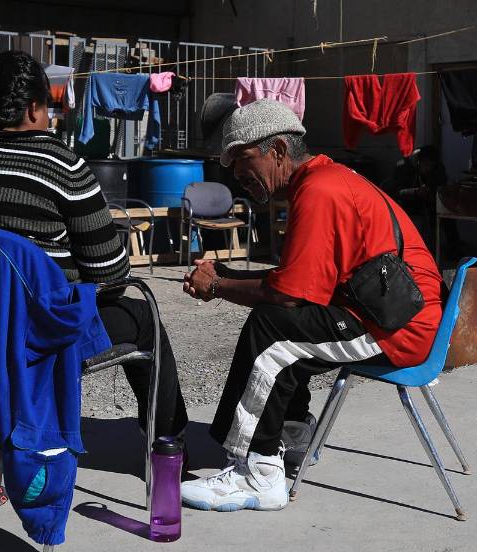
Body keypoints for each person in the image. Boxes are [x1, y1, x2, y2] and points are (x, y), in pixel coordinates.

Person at [0, 50, 188, 504]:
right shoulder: (62, 167)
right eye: (49, 106)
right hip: (34, 339)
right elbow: (111, 276)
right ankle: (170, 448)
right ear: (32, 109)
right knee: (142, 317)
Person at [179, 99, 444, 512]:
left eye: (244, 160)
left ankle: (258, 473)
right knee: (285, 324)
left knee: (272, 331)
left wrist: (217, 285)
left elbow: (287, 297)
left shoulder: (319, 191)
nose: (237, 175)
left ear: (279, 151)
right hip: (389, 309)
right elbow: (297, 283)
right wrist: (224, 274)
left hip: (396, 326)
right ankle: (293, 433)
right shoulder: (323, 179)